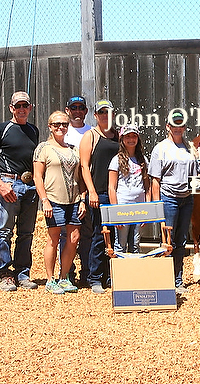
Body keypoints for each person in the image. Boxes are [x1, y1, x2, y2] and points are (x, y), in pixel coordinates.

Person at [0, 91, 40, 292]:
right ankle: (4, 274)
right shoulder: (1, 129)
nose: (21, 109)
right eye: (18, 106)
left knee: (27, 232)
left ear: (30, 108)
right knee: (5, 230)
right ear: (11, 108)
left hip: (30, 186)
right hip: (9, 184)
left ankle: (22, 273)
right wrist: (0, 184)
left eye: (25, 105)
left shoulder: (33, 130)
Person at [33, 111, 86, 294]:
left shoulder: (73, 149)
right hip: (53, 199)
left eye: (64, 124)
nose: (61, 127)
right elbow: (37, 177)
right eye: (57, 124)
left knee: (73, 238)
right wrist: (44, 200)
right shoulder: (43, 148)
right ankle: (50, 280)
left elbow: (80, 177)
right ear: (50, 126)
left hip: (74, 200)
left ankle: (64, 277)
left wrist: (82, 199)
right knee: (53, 239)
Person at [148, 112, 199, 294]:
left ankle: (177, 280)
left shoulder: (190, 148)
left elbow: (195, 175)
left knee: (181, 240)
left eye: (181, 124)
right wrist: (157, 206)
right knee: (167, 241)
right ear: (167, 126)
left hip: (186, 198)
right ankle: (165, 281)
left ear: (184, 127)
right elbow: (155, 180)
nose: (178, 128)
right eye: (174, 124)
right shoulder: (160, 148)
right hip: (168, 198)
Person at [79, 99, 119, 294]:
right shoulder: (91, 136)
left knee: (114, 235)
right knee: (98, 234)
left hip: (116, 193)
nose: (105, 115)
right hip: (99, 193)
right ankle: (94, 277)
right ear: (95, 115)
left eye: (107, 112)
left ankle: (110, 275)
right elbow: (84, 166)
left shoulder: (118, 135)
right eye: (101, 112)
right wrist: (91, 191)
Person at [58, 95, 92, 285]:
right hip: (67, 189)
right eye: (74, 108)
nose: (77, 111)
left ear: (86, 111)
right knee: (66, 234)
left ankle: (87, 273)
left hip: (87, 187)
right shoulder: (62, 131)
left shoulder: (92, 132)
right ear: (67, 110)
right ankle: (67, 273)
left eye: (81, 108)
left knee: (87, 234)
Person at [108, 124, 151, 254]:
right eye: (128, 136)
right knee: (120, 244)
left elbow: (147, 186)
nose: (131, 139)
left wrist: (147, 209)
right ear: (122, 139)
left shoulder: (143, 159)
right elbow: (111, 187)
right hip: (123, 207)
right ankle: (119, 267)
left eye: (134, 136)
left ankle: (134, 267)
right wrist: (115, 212)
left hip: (139, 207)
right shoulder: (116, 160)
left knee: (135, 244)